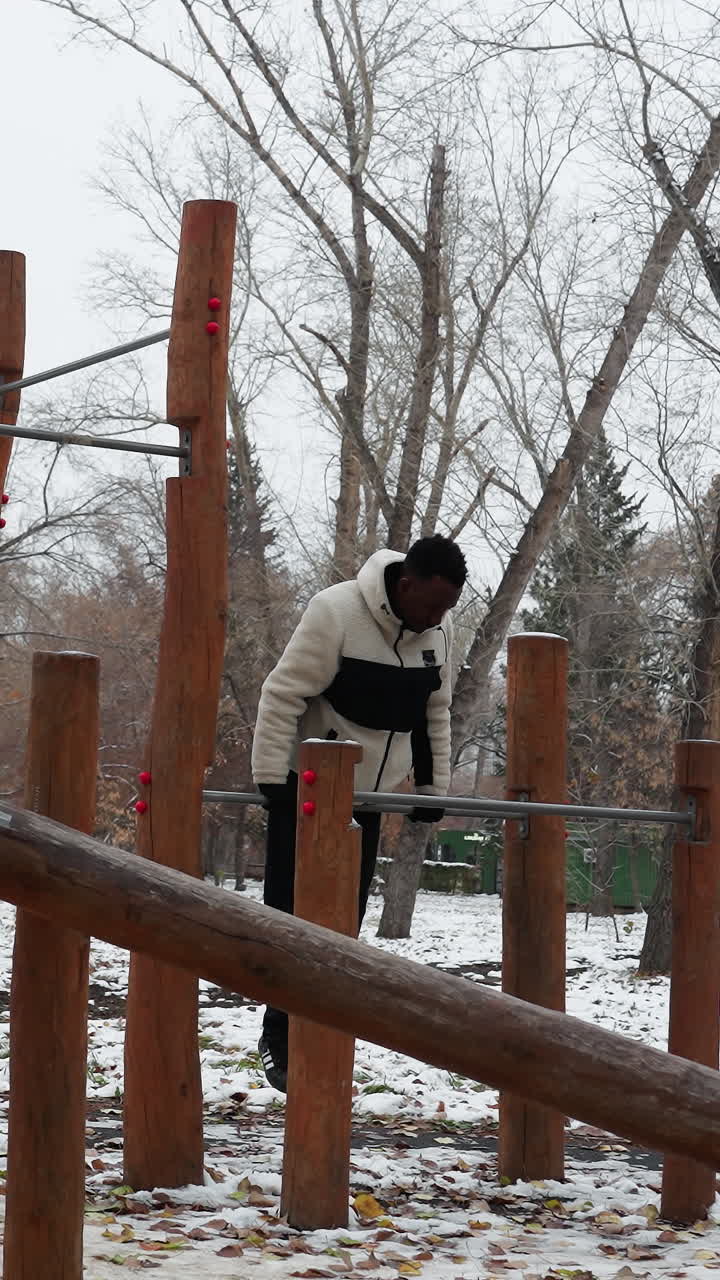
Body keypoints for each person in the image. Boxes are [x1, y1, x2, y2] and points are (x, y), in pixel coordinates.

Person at [251, 533, 467, 1091]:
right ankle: (278, 1035)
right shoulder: (336, 611)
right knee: (288, 913)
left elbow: (433, 711)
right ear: (405, 582)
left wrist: (430, 788)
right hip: (308, 786)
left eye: (448, 608)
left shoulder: (436, 632)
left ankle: (322, 1031)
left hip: (369, 797)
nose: (437, 616)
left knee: (341, 922)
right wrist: (273, 778)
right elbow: (283, 693)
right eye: (431, 604)